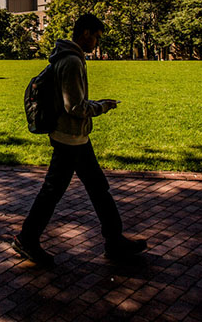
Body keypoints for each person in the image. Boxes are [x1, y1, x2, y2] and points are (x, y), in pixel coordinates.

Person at [13, 13, 147, 267]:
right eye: (96, 37)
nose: (96, 42)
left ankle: (114, 240)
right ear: (85, 33)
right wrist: (103, 106)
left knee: (97, 189)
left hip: (75, 137)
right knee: (57, 192)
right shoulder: (72, 61)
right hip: (70, 138)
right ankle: (27, 239)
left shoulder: (67, 57)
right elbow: (74, 107)